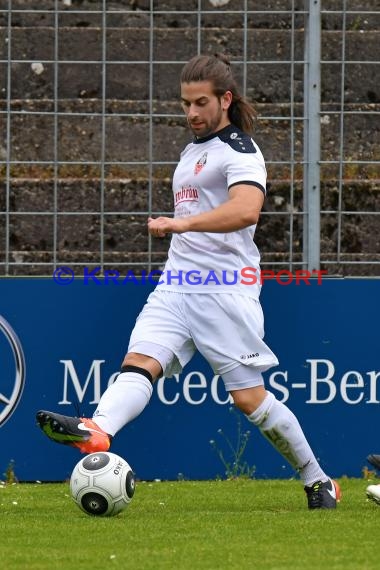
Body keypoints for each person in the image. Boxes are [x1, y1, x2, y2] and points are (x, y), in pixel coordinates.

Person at [36, 53, 340, 510]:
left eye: (201, 103)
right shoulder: (192, 149)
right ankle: (98, 430)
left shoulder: (240, 151)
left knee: (249, 401)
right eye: (185, 104)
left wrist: (182, 226)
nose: (192, 113)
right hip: (176, 285)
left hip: (223, 291)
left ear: (225, 100)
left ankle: (318, 480)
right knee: (139, 363)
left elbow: (246, 211)